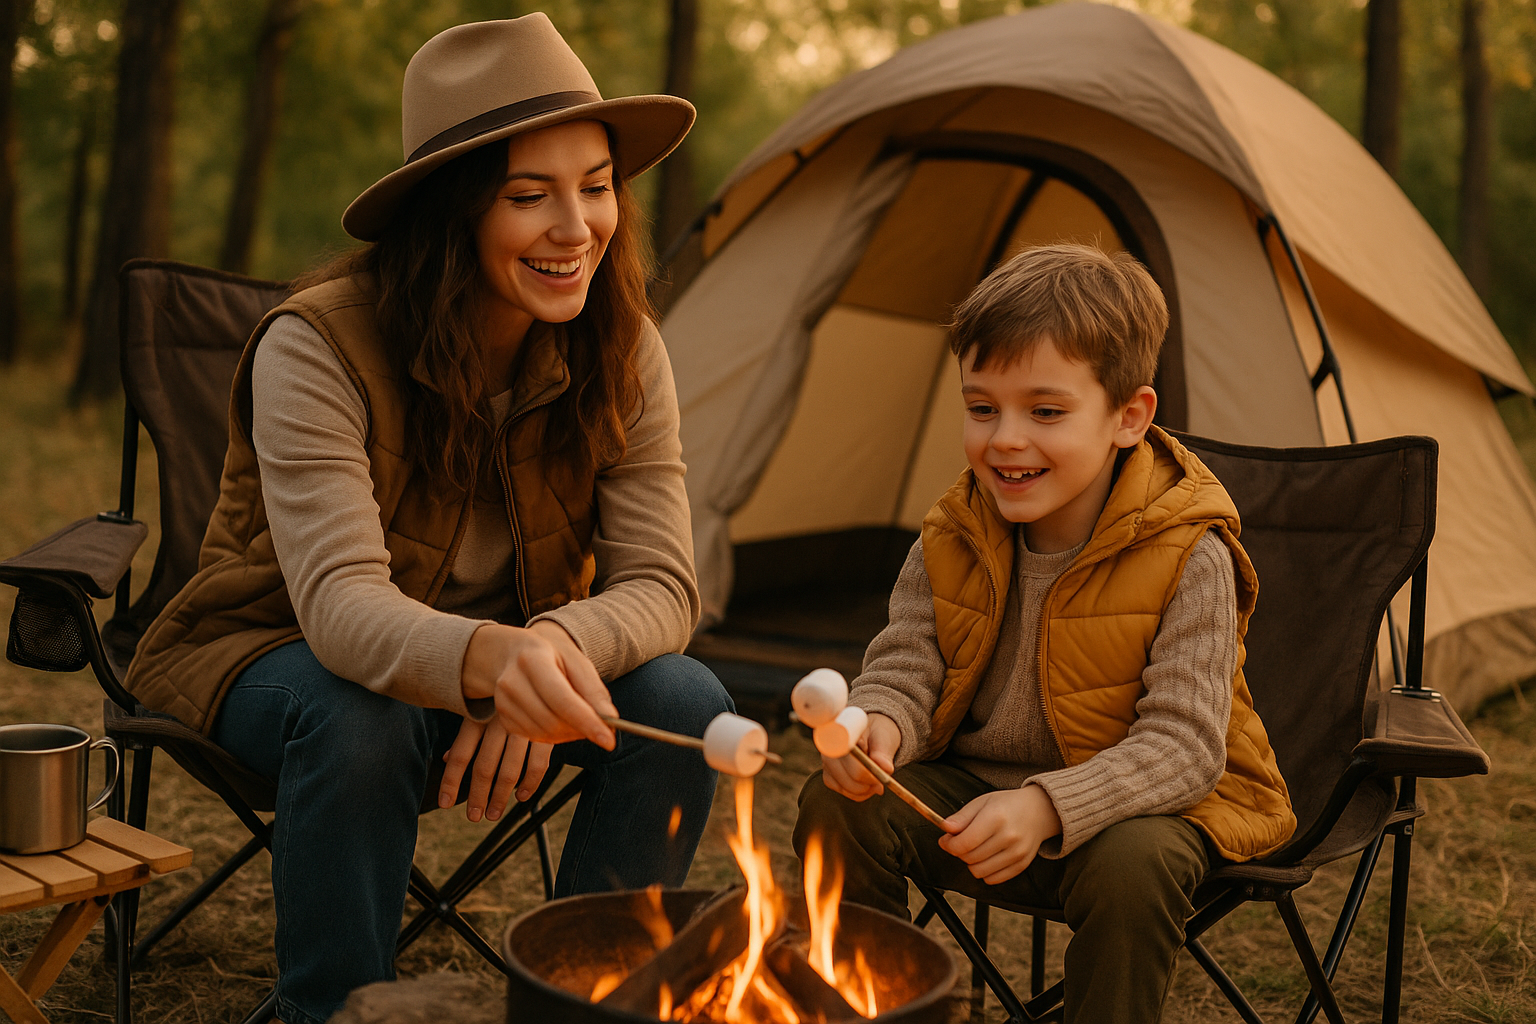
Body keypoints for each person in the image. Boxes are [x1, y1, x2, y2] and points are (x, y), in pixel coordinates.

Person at [125, 15, 732, 1024]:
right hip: (273, 655)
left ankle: (591, 998)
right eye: (528, 195)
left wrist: (545, 653)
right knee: (362, 708)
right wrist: (500, 668)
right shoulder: (316, 347)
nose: (577, 227)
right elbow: (342, 609)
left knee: (683, 697)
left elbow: (664, 585)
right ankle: (337, 1008)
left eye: (595, 186)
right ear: (450, 214)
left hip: (507, 659)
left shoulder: (623, 348)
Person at [793, 244, 1297, 1023]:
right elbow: (907, 664)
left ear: (1129, 416)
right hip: (974, 793)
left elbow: (1185, 747)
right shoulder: (953, 530)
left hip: (1143, 807)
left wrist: (1046, 807)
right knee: (839, 809)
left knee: (1134, 864)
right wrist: (880, 726)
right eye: (982, 407)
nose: (1005, 440)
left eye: (1046, 411)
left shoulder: (1191, 551)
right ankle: (880, 1006)